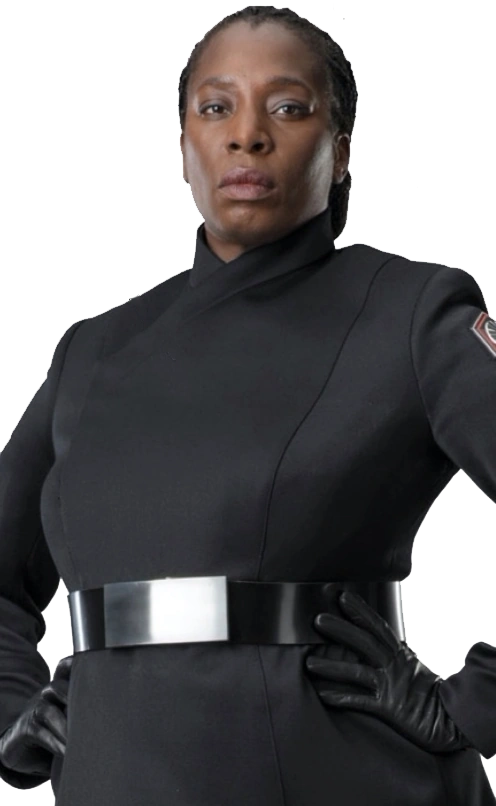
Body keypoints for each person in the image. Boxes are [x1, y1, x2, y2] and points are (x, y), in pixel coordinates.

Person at [0, 5, 495, 804]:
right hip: (114, 779)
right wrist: (12, 713)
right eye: (215, 107)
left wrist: (473, 707)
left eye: (289, 107)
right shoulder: (93, 352)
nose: (247, 135)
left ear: (341, 151)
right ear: (183, 146)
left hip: (336, 776)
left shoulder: (411, 313)